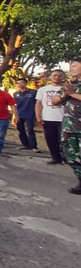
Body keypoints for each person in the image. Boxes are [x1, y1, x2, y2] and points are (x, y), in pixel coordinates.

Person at [53, 60, 81, 194]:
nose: (71, 69)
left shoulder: (72, 89)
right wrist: (65, 94)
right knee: (71, 155)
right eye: (70, 67)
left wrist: (72, 94)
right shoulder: (70, 85)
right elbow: (54, 101)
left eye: (74, 66)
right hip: (69, 127)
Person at [36, 69, 66, 164]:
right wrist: (38, 116)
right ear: (50, 77)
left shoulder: (67, 89)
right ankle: (56, 158)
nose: (57, 77)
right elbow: (39, 104)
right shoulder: (43, 89)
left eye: (60, 75)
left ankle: (67, 158)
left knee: (64, 140)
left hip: (64, 119)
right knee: (51, 139)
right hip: (48, 118)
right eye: (55, 75)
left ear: (63, 77)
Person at [13, 77, 38, 151]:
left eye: (22, 83)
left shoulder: (33, 92)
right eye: (18, 83)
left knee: (30, 130)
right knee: (21, 130)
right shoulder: (15, 94)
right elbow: (14, 105)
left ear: (26, 83)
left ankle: (33, 146)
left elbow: (38, 103)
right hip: (19, 114)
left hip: (30, 114)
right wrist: (15, 116)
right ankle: (25, 145)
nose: (20, 85)